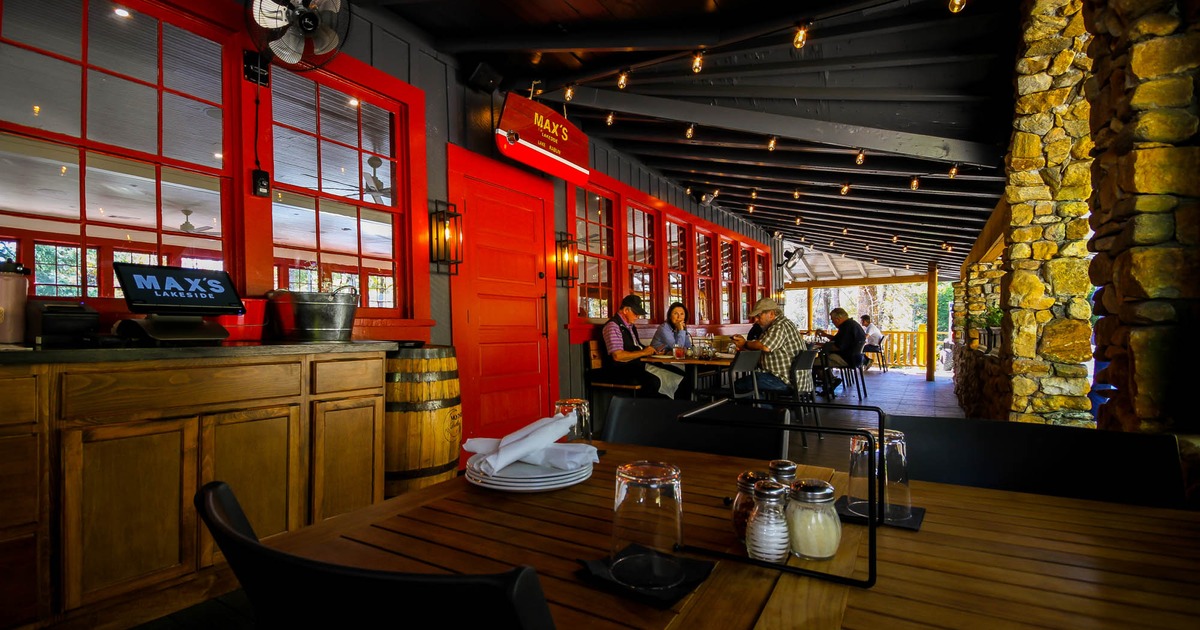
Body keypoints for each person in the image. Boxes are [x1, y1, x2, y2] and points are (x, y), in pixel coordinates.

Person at [596, 295, 685, 399]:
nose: (638, 316)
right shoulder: (613, 326)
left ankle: (676, 407)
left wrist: (652, 351)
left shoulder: (630, 326)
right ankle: (652, 408)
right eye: (636, 313)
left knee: (679, 373)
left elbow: (636, 346)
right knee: (654, 381)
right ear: (626, 310)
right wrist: (644, 352)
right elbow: (617, 356)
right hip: (619, 369)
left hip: (635, 365)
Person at [730, 298, 806, 394]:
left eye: (758, 316)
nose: (756, 320)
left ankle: (763, 404)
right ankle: (764, 403)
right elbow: (763, 349)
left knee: (740, 385)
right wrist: (744, 346)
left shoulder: (779, 325)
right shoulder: (782, 324)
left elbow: (765, 346)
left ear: (771, 314)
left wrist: (745, 343)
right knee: (749, 382)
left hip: (785, 380)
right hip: (794, 380)